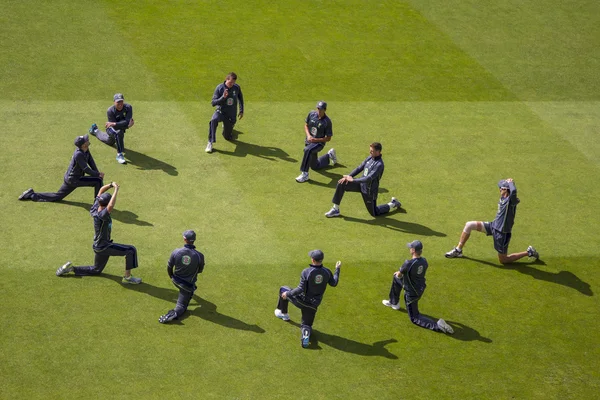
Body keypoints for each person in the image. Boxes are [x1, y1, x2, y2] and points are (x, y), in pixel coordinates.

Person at [55, 182, 142, 284]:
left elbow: (100, 190)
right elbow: (111, 205)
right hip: (105, 246)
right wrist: (116, 190)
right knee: (131, 250)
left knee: (96, 270)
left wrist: (110, 185)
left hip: (98, 246)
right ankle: (127, 278)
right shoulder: (103, 215)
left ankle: (71, 269)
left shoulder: (95, 207)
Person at [444, 178, 539, 264]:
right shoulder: (503, 198)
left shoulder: (511, 202)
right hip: (493, 226)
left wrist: (511, 183)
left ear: (506, 190)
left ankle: (529, 252)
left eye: (500, 188)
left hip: (502, 233)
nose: (499, 190)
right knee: (469, 225)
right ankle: (458, 250)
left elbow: (513, 191)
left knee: (503, 260)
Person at [382, 240, 454, 334]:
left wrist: (399, 273)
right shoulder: (424, 261)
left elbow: (399, 275)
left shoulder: (408, 263)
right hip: (420, 288)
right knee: (396, 279)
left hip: (412, 293)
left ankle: (437, 326)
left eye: (410, 248)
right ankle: (394, 302)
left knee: (414, 318)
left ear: (413, 250)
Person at [274, 250, 341, 348]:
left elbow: (300, 289)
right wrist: (337, 269)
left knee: (283, 289)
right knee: (306, 325)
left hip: (302, 301)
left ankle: (284, 314)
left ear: (312, 260)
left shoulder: (307, 272)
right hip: (314, 305)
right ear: (321, 259)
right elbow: (334, 283)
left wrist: (287, 294)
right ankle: (305, 334)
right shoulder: (327, 272)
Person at [18, 134, 105, 202]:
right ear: (83, 145)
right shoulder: (79, 154)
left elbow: (91, 160)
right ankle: (98, 204)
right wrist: (98, 175)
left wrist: (97, 173)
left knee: (57, 196)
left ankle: (32, 195)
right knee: (98, 181)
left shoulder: (85, 150)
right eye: (86, 140)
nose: (88, 140)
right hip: (74, 179)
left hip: (71, 178)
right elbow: (86, 169)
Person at [324, 142, 401, 218]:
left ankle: (393, 204)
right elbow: (359, 168)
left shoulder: (379, 165)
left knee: (374, 212)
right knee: (342, 183)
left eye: (372, 151)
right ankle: (335, 209)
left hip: (369, 191)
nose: (370, 152)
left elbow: (368, 178)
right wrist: (348, 176)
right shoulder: (370, 157)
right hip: (360, 184)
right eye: (370, 150)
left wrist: (353, 180)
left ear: (378, 152)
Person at [159, 230, 206, 324]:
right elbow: (200, 270)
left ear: (184, 239)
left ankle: (190, 293)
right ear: (194, 240)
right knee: (181, 306)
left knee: (190, 292)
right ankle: (172, 315)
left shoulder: (176, 251)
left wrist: (171, 276)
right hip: (187, 286)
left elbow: (169, 267)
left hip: (175, 280)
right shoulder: (199, 255)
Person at [295, 101, 337, 183]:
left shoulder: (327, 122)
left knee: (307, 150)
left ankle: (304, 174)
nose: (318, 110)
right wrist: (308, 136)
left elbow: (328, 138)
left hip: (319, 144)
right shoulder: (311, 114)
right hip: (309, 141)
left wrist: (316, 140)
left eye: (320, 109)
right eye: (318, 108)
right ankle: (329, 155)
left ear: (325, 110)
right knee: (314, 166)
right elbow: (306, 125)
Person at [89, 93, 134, 164]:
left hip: (116, 127)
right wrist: (127, 126)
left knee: (110, 141)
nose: (120, 104)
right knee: (119, 133)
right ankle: (119, 155)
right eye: (118, 102)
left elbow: (127, 121)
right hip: (110, 129)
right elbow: (115, 127)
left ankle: (95, 130)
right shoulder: (110, 111)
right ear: (114, 102)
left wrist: (116, 123)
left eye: (121, 101)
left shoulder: (128, 107)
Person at [205, 72, 244, 153]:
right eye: (230, 82)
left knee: (227, 137)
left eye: (234, 82)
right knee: (213, 120)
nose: (232, 84)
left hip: (231, 115)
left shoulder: (236, 88)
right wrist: (223, 97)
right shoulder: (219, 88)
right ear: (226, 79)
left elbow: (240, 98)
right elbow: (213, 103)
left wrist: (241, 110)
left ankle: (228, 128)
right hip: (221, 112)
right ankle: (210, 142)